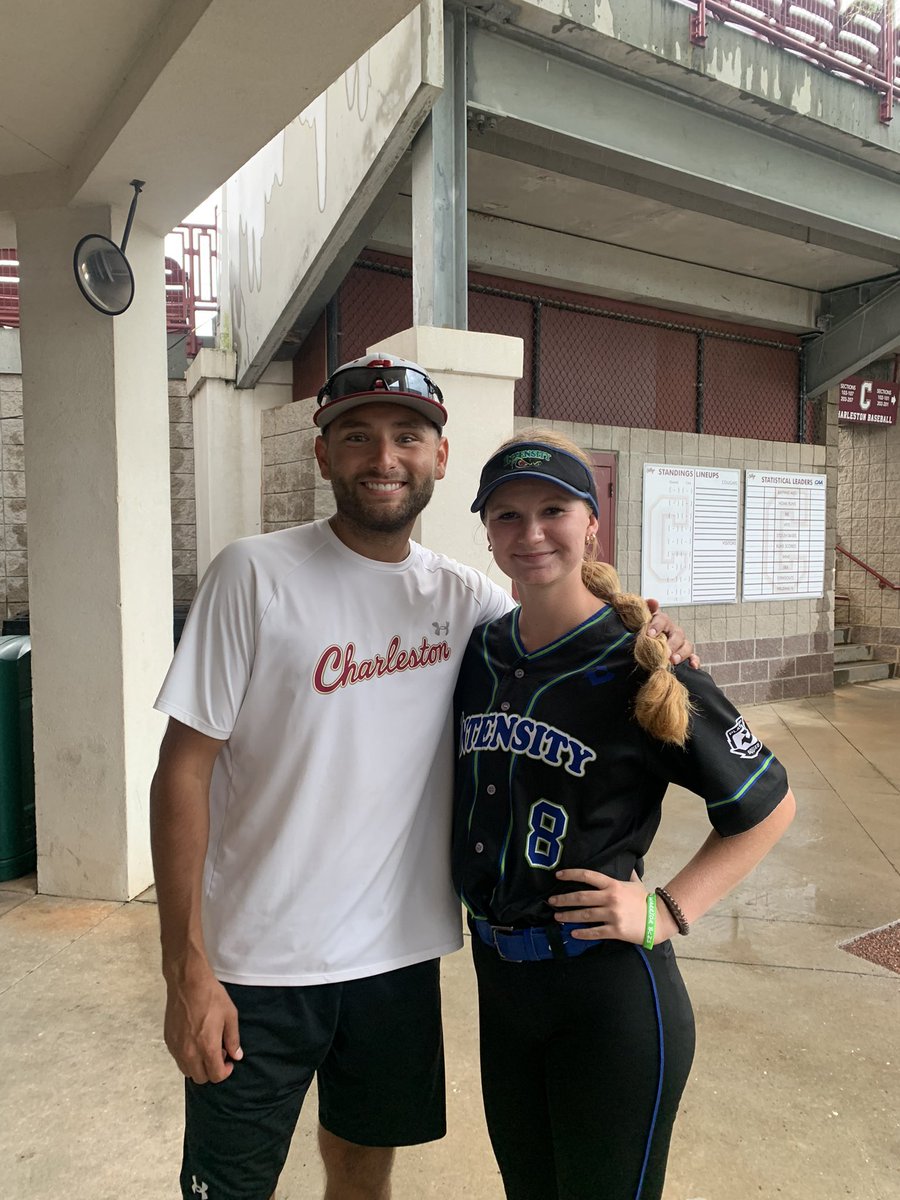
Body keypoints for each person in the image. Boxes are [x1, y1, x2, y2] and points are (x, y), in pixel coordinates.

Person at [149, 355, 695, 1200]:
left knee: (364, 1172)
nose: (383, 457)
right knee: (227, 1186)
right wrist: (186, 967)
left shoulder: (466, 601)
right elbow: (181, 774)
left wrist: (653, 628)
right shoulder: (251, 576)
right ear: (323, 453)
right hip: (255, 963)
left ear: (441, 459)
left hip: (395, 963)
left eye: (408, 436)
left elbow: (558, 623)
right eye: (358, 436)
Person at [453, 429, 796, 1200]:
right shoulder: (478, 654)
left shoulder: (641, 660)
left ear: (591, 524)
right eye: (507, 515)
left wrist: (669, 908)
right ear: (487, 530)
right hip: (501, 987)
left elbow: (767, 804)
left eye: (553, 510)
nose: (530, 532)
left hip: (607, 994)